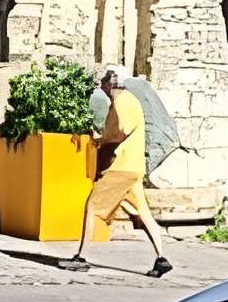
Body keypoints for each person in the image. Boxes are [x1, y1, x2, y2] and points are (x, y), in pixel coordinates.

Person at [57, 66, 172, 275]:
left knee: (91, 205)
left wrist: (105, 143)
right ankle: (161, 259)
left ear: (112, 82)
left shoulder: (123, 101)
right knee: (143, 213)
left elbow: (123, 132)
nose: (101, 83)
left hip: (121, 165)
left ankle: (81, 257)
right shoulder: (122, 102)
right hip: (133, 167)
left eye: (104, 80)